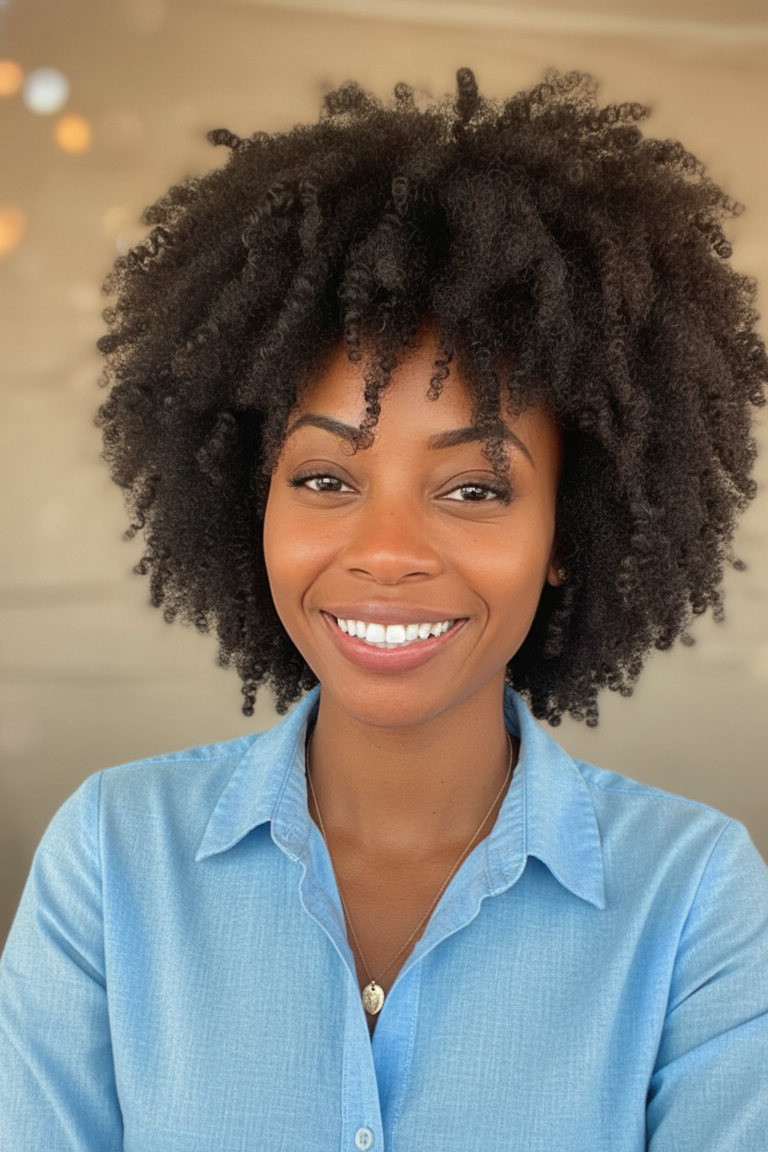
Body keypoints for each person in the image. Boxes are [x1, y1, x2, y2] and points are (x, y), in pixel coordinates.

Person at [1, 68, 767, 1151]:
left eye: (473, 488)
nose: (390, 553)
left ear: (570, 532)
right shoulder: (112, 860)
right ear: (244, 504)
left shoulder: (693, 898)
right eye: (324, 479)